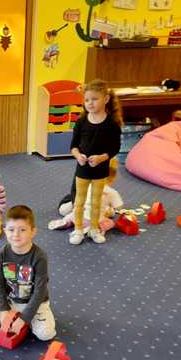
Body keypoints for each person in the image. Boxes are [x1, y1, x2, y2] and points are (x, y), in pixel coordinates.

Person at [0, 205, 56, 341]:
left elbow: (40, 291)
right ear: (5, 231)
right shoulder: (2, 254)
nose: (16, 234)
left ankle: (30, 318)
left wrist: (24, 319)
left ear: (33, 232)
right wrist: (3, 309)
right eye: (11, 229)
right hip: (10, 299)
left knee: (46, 334)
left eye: (22, 230)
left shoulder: (39, 257)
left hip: (34, 302)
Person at [69, 79, 122, 245]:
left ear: (106, 99)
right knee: (79, 202)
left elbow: (115, 148)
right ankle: (78, 229)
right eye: (87, 100)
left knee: (96, 202)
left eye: (94, 99)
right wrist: (78, 156)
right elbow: (73, 146)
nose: (90, 103)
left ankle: (93, 229)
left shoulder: (112, 124)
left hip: (100, 170)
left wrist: (101, 158)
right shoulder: (81, 122)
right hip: (82, 169)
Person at [48, 157, 123, 234]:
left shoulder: (92, 183)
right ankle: (97, 228)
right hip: (77, 201)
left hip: (84, 210)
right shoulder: (111, 192)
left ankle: (67, 221)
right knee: (110, 220)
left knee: (73, 214)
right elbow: (75, 191)